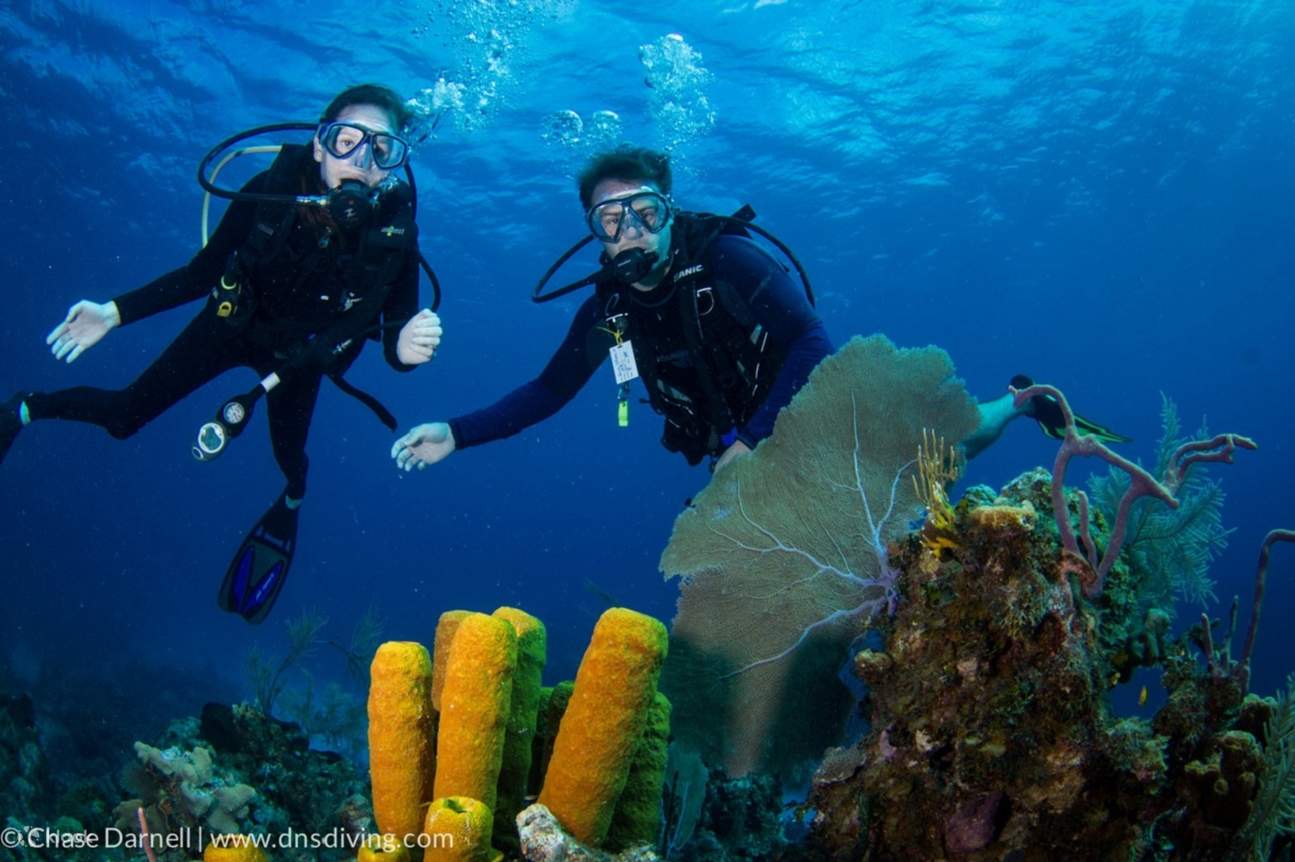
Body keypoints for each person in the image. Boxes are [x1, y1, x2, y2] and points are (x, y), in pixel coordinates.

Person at [389, 145, 1121, 477]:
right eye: (608, 222)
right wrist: (457, 432)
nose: (629, 233)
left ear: (670, 213)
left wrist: (751, 438)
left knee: (944, 454)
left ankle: (1022, 401)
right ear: (594, 236)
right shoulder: (609, 313)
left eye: (643, 212)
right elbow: (549, 391)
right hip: (740, 451)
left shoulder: (727, 261)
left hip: (810, 411)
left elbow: (809, 338)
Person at [0, 83, 443, 624]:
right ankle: (26, 407)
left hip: (295, 364)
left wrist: (404, 350)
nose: (361, 160)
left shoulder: (396, 238)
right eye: (347, 140)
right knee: (123, 417)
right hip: (230, 324)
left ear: (393, 168)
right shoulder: (271, 190)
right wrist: (113, 313)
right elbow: (201, 274)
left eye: (382, 150)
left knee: (291, 465)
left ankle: (290, 508)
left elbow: (396, 342)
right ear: (320, 146)